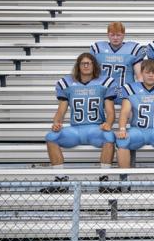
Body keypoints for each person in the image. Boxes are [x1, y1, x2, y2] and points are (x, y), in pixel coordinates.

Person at [44, 53, 117, 193]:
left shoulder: (105, 82)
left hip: (95, 129)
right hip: (75, 129)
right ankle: (60, 180)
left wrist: (108, 123)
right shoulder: (67, 83)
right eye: (83, 63)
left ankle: (104, 180)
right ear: (78, 66)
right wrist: (56, 123)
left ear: (94, 65)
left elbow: (110, 110)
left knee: (109, 137)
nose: (86, 65)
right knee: (51, 137)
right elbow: (61, 109)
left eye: (89, 63)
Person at [116, 59, 154, 191]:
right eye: (147, 72)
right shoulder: (131, 88)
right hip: (137, 130)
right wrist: (122, 129)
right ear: (142, 73)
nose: (150, 75)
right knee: (122, 140)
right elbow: (125, 111)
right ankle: (125, 181)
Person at [90, 21, 145, 103]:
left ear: (123, 35)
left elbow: (139, 76)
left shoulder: (133, 49)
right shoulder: (98, 48)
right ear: (108, 35)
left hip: (125, 93)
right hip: (103, 92)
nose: (115, 38)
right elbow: (91, 74)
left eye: (118, 35)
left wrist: (141, 94)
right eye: (112, 35)